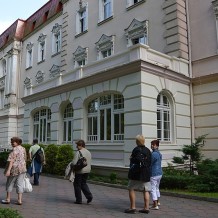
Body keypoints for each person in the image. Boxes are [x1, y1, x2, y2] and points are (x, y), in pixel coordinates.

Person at [125, 135, 151, 214]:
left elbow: (133, 160)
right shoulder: (148, 150)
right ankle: (146, 208)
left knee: (131, 188)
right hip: (146, 173)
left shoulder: (136, 149)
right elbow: (149, 162)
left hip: (135, 173)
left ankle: (132, 207)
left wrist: (131, 159)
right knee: (146, 190)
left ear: (137, 141)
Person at [2, 137, 27, 205]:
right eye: (11, 142)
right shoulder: (23, 148)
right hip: (22, 169)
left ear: (18, 142)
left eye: (13, 142)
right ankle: (19, 200)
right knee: (20, 184)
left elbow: (11, 161)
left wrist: (8, 170)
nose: (12, 143)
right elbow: (25, 158)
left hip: (14, 169)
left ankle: (8, 199)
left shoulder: (14, 149)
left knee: (10, 183)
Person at [72, 139, 93, 204]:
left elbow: (74, 162)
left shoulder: (79, 152)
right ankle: (89, 196)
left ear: (81, 145)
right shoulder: (89, 152)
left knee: (77, 185)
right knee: (83, 183)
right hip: (87, 170)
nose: (76, 147)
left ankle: (79, 200)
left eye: (77, 145)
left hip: (80, 171)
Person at [150, 139, 163, 210]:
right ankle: (158, 202)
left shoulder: (153, 154)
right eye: (151, 144)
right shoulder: (159, 153)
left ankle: (155, 205)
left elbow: (150, 163)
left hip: (154, 173)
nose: (152, 146)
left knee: (153, 189)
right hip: (160, 173)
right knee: (157, 188)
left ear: (157, 146)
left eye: (153, 145)